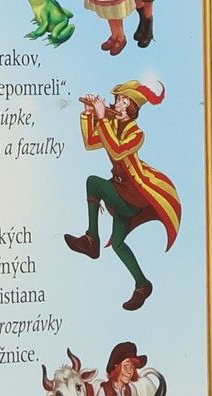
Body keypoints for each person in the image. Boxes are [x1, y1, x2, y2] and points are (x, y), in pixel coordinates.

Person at [63, 77, 181, 310]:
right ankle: (142, 284)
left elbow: (117, 151)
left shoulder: (136, 133)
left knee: (93, 182)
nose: (117, 104)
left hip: (132, 196)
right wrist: (88, 115)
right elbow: (91, 142)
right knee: (118, 244)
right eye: (117, 100)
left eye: (123, 102)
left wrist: (101, 118)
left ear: (132, 108)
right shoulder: (113, 125)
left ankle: (91, 239)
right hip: (120, 192)